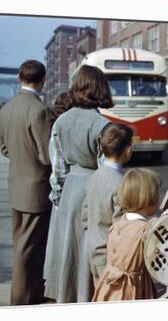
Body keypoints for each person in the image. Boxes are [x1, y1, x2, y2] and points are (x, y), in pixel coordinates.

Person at [43, 65, 114, 303]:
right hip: (91, 190)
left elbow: (57, 166)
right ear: (99, 88)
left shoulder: (61, 121)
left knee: (67, 250)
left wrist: (58, 197)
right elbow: (106, 170)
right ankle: (87, 296)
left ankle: (66, 295)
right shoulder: (102, 125)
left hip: (69, 190)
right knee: (88, 248)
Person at [0, 59, 53, 305]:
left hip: (16, 186)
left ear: (20, 77)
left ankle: (30, 294)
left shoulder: (7, 107)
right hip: (36, 189)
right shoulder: (39, 110)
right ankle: (21, 300)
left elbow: (4, 148)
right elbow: (46, 155)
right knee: (29, 250)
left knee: (21, 244)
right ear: (42, 80)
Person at [92, 168, 166, 302]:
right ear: (149, 198)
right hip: (131, 289)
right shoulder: (145, 228)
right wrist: (167, 217)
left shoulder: (119, 223)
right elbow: (160, 230)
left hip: (109, 287)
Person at [82, 123, 134, 287]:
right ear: (128, 151)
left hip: (94, 250)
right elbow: (122, 228)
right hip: (113, 258)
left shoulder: (93, 177)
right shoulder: (121, 184)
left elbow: (84, 216)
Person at [42, 91, 75, 301]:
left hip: (60, 194)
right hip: (67, 193)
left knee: (57, 246)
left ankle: (55, 286)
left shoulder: (57, 126)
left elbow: (56, 169)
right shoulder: (65, 127)